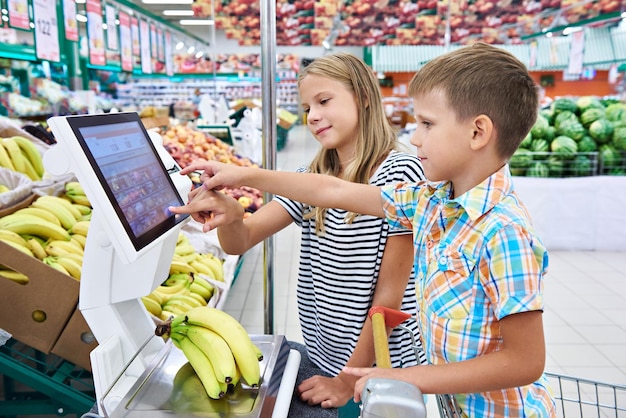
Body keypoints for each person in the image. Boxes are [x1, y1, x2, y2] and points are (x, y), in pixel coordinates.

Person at [170, 43, 557, 416]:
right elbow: (330, 189)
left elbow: (524, 360)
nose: (416, 136)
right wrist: (240, 192)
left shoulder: (496, 227)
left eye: (426, 123)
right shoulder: (432, 201)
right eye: (307, 107)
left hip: (419, 380)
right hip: (397, 379)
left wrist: (398, 377)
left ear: (477, 132)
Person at [171, 52, 426, 416]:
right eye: (307, 108)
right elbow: (241, 240)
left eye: (324, 101)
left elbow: (390, 297)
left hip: (378, 368)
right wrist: (231, 216)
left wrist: (347, 380)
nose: (313, 116)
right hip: (324, 357)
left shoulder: (401, 173)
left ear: (364, 96)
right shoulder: (312, 173)